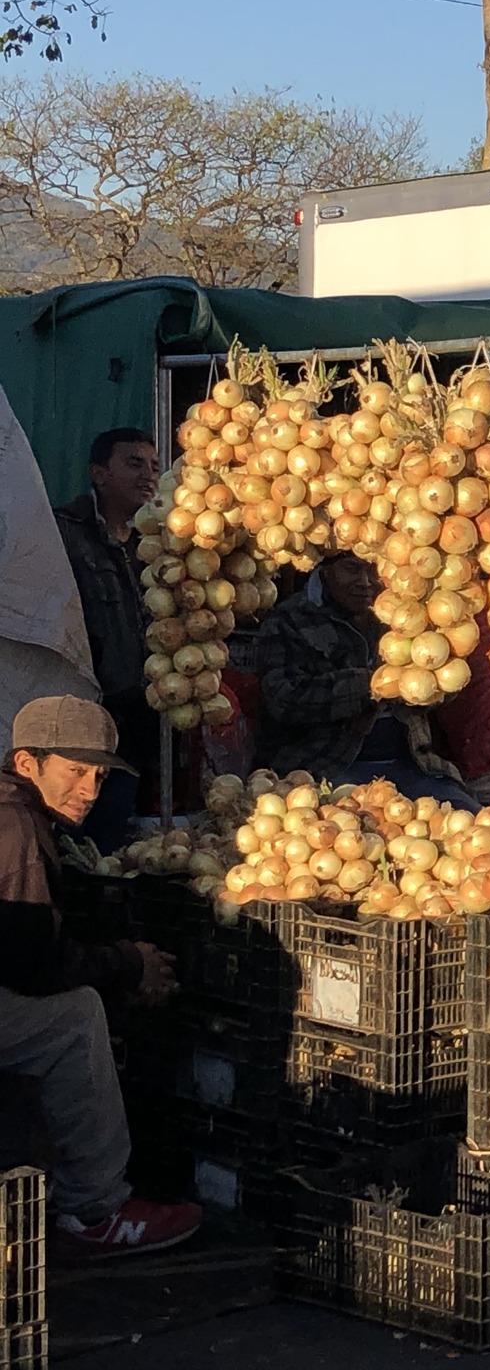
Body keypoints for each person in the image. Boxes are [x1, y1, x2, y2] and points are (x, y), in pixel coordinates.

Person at [0, 695, 199, 1254]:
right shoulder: (15, 829)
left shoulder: (16, 812)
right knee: (74, 1017)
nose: (88, 791)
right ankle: (94, 1209)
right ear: (26, 764)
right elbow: (34, 966)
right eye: (73, 772)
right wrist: (129, 962)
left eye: (97, 775)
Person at [250, 553, 475, 807]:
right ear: (325, 570)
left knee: (469, 815)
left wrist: (427, 684)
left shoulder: (407, 613)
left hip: (411, 765)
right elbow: (282, 699)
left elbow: (445, 689)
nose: (366, 581)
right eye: (351, 569)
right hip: (326, 768)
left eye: (375, 570)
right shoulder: (290, 621)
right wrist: (369, 687)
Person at [53, 428, 160, 850]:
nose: (148, 475)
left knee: (114, 834)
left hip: (138, 713)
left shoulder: (155, 544)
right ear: (99, 473)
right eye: (133, 464)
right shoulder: (64, 534)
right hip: (82, 710)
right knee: (69, 831)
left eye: (153, 466)